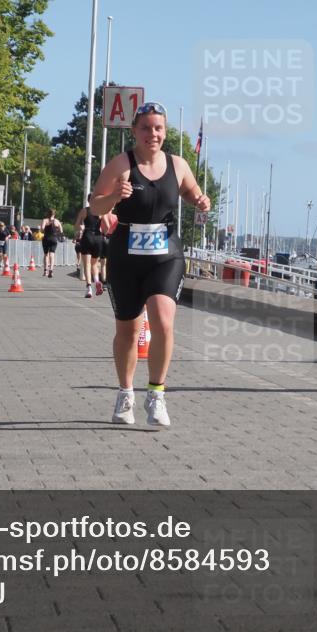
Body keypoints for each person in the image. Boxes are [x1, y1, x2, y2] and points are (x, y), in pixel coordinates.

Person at [89, 101, 210, 427]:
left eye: (158, 128)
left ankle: (156, 394)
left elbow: (191, 191)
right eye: (146, 128)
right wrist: (114, 197)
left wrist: (201, 200)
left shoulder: (178, 164)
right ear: (134, 132)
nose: (152, 134)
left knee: (163, 320)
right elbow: (95, 205)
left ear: (165, 132)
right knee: (128, 331)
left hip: (165, 255)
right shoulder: (121, 165)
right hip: (125, 257)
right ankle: (125, 393)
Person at [75, 195, 107, 298]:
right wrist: (103, 234)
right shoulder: (101, 212)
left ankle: (89, 287)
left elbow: (76, 225)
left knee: (87, 264)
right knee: (95, 264)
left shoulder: (85, 211)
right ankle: (97, 281)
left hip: (87, 236)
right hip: (98, 238)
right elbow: (106, 227)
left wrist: (80, 227)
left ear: (88, 201)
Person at [40, 208, 64, 278]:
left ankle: (45, 271)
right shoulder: (57, 221)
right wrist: (59, 235)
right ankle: (51, 269)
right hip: (54, 238)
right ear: (54, 214)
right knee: (52, 254)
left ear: (48, 213)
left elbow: (42, 230)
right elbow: (61, 231)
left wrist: (45, 229)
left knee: (46, 254)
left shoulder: (45, 220)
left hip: (46, 238)